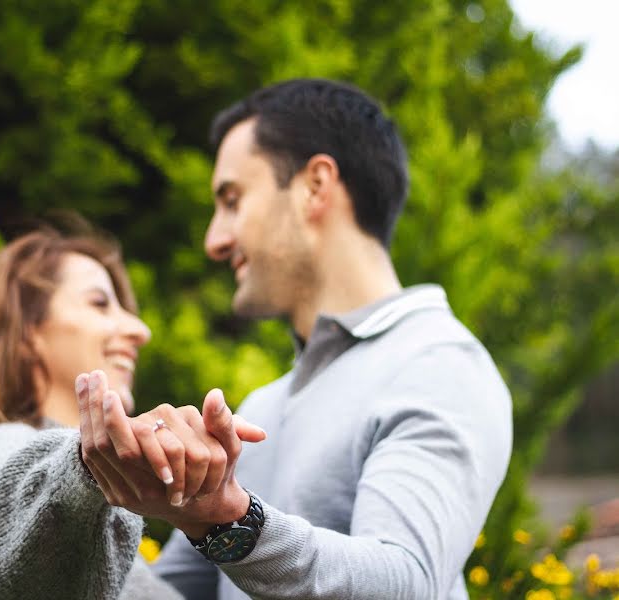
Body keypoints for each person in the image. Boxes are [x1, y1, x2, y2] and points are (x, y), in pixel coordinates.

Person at [76, 78, 513, 599]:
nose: (214, 241)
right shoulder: (264, 404)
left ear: (315, 186)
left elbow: (407, 581)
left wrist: (230, 522)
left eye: (233, 200)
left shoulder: (439, 362)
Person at [0, 223, 265, 600]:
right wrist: (85, 469)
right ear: (25, 332)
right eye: (99, 303)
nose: (140, 330)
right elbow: (31, 495)